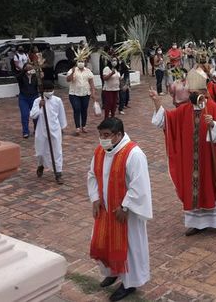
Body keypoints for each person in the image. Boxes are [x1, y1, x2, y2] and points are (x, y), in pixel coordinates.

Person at [150, 69, 216, 236]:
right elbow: (167, 120)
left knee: (214, 184)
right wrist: (157, 102)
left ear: (204, 93)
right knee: (194, 188)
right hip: (192, 162)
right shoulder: (184, 110)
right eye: (190, 92)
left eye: (195, 93)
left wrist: (214, 125)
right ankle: (198, 223)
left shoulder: (215, 110)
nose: (191, 96)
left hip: (213, 161)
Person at [88, 117, 152, 301]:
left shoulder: (134, 153)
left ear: (119, 135)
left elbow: (139, 185)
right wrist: (95, 198)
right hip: (106, 209)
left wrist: (125, 206)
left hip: (126, 214)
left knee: (129, 247)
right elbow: (92, 175)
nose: (102, 139)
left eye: (106, 135)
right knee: (104, 242)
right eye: (100, 135)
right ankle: (112, 271)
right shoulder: (101, 151)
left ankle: (130, 283)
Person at [30, 81, 67, 184]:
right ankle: (40, 165)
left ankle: (58, 173)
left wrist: (62, 127)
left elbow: (61, 114)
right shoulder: (37, 101)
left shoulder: (57, 100)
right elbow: (33, 115)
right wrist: (40, 106)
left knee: (57, 151)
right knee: (41, 150)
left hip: (55, 129)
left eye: (50, 90)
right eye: (46, 91)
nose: (49, 92)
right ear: (42, 91)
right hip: (42, 129)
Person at [66, 59, 97, 135]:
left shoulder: (88, 71)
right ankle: (77, 127)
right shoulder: (72, 70)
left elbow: (91, 82)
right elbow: (68, 80)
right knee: (77, 109)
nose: (81, 63)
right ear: (77, 62)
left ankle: (83, 126)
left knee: (84, 109)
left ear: (85, 62)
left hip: (85, 93)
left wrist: (93, 92)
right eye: (79, 61)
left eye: (82, 61)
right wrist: (73, 72)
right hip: (74, 94)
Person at [17, 63, 40, 138]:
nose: (29, 69)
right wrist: (24, 70)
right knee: (25, 114)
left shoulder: (35, 76)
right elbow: (18, 77)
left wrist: (40, 76)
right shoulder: (22, 76)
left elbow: (39, 86)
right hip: (23, 97)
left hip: (34, 97)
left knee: (35, 115)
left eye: (31, 67)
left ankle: (37, 129)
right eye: (28, 68)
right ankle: (25, 131)